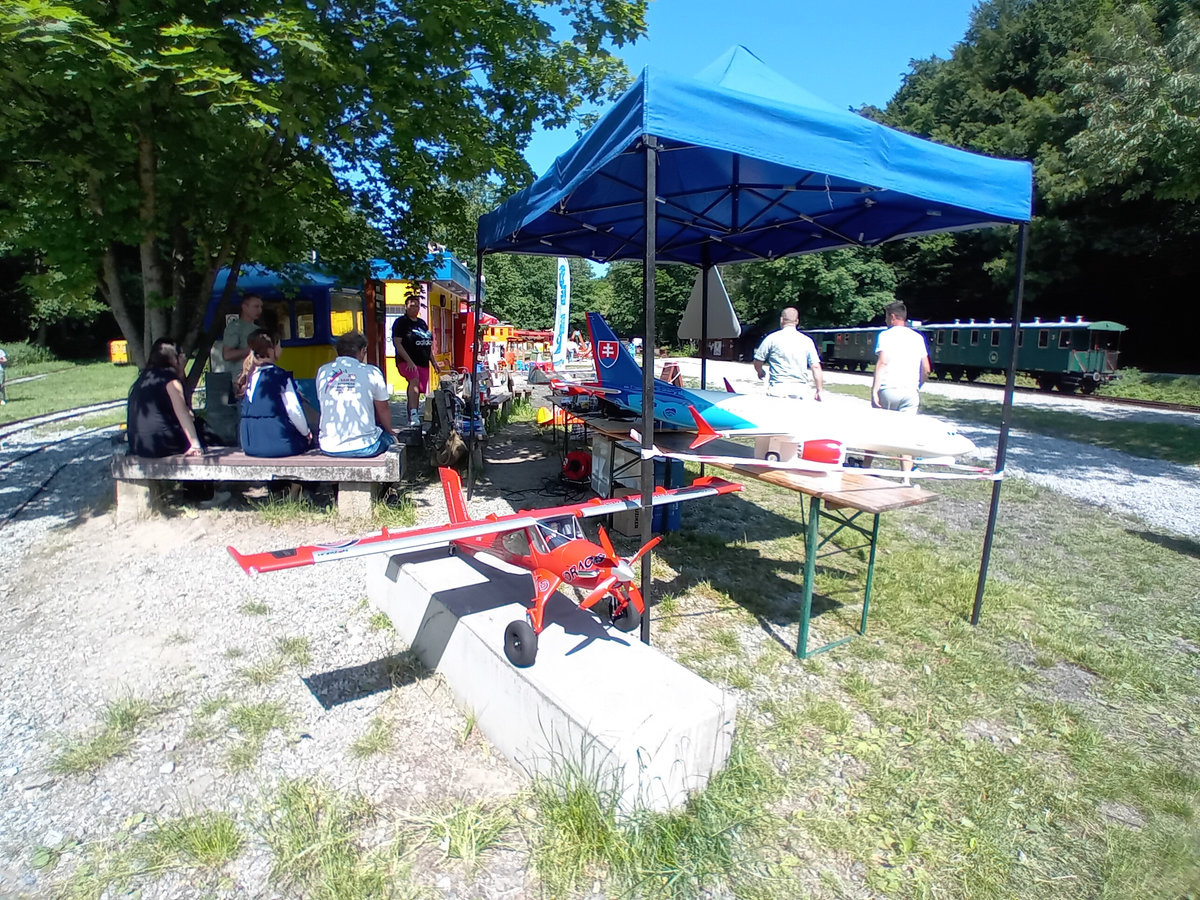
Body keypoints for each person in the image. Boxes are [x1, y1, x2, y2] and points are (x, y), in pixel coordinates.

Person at [869, 300, 932, 476]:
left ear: (893, 317)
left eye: (886, 317)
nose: (885, 321)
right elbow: (926, 368)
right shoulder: (918, 338)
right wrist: (918, 385)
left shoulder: (885, 335)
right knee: (906, 435)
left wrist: (875, 390)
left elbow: (882, 363)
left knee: (876, 430)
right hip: (910, 392)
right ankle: (906, 477)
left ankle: (866, 466)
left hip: (889, 388)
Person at [316, 331, 396, 457]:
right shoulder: (372, 372)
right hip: (365, 446)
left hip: (328, 446)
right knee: (389, 438)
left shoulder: (323, 371)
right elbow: (383, 409)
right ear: (362, 351)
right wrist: (390, 431)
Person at [237, 330, 313, 457]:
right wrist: (306, 433)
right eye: (279, 346)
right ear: (271, 350)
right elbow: (294, 410)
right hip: (278, 443)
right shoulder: (280, 376)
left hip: (250, 445)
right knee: (308, 441)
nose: (281, 349)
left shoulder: (248, 377)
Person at [126, 338, 204, 457]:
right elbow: (182, 413)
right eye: (181, 354)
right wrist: (195, 444)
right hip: (162, 443)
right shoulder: (171, 381)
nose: (184, 358)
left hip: (138, 445)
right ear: (173, 358)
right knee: (202, 428)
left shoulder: (144, 378)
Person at [752, 307, 824, 400]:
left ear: (781, 320)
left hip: (778, 388)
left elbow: (758, 361)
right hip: (800, 389)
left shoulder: (771, 338)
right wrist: (819, 390)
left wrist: (760, 371)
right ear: (797, 321)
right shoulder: (807, 341)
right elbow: (816, 367)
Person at [392, 294, 441, 427]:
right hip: (406, 361)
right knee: (414, 380)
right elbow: (397, 343)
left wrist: (434, 363)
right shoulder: (401, 322)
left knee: (418, 389)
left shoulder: (422, 323)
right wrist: (409, 361)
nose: (415, 308)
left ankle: (413, 414)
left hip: (422, 361)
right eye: (412, 305)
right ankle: (413, 414)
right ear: (406, 307)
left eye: (417, 306)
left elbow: (427, 345)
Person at [219, 294, 264, 372]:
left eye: (261, 307)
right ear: (244, 307)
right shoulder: (234, 327)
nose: (259, 310)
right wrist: (252, 350)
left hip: (256, 373)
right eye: (256, 306)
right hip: (239, 375)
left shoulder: (258, 329)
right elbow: (227, 355)